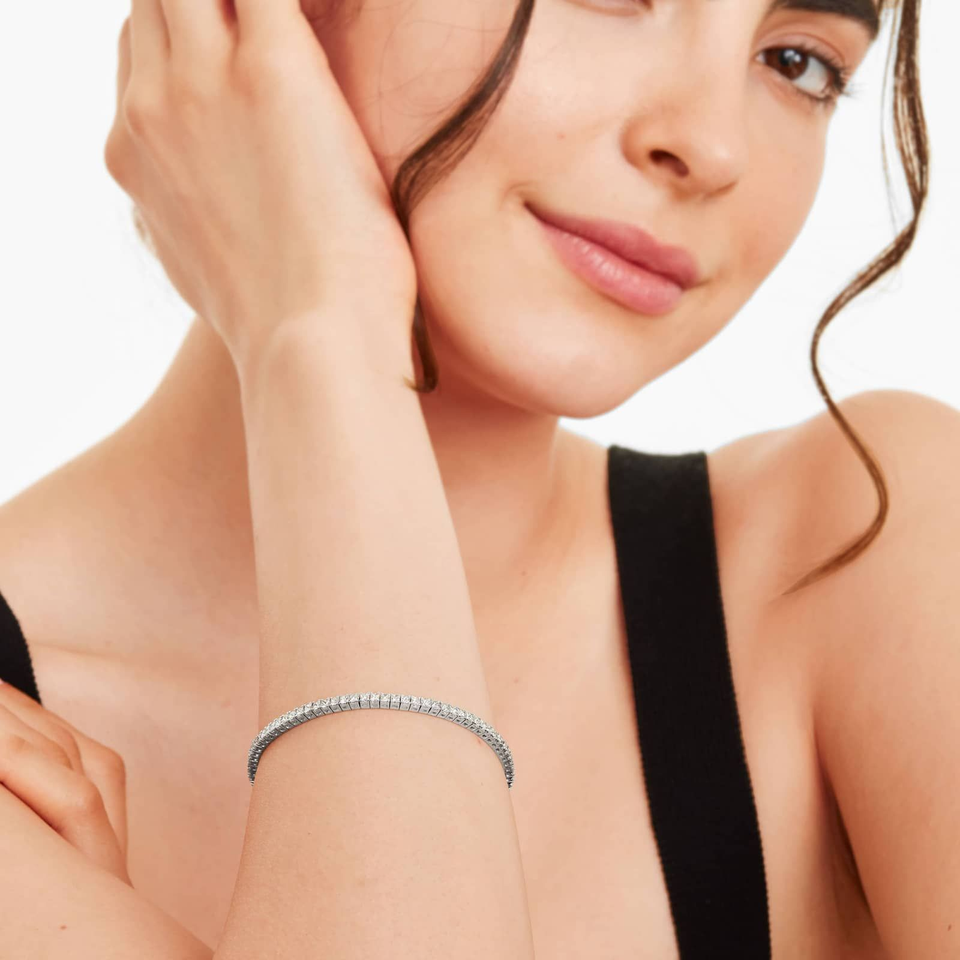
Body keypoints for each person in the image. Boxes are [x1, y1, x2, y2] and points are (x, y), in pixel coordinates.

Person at [0, 0, 954, 957]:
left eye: (797, 62)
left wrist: (316, 332)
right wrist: (326, 336)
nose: (711, 146)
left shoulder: (873, 548)